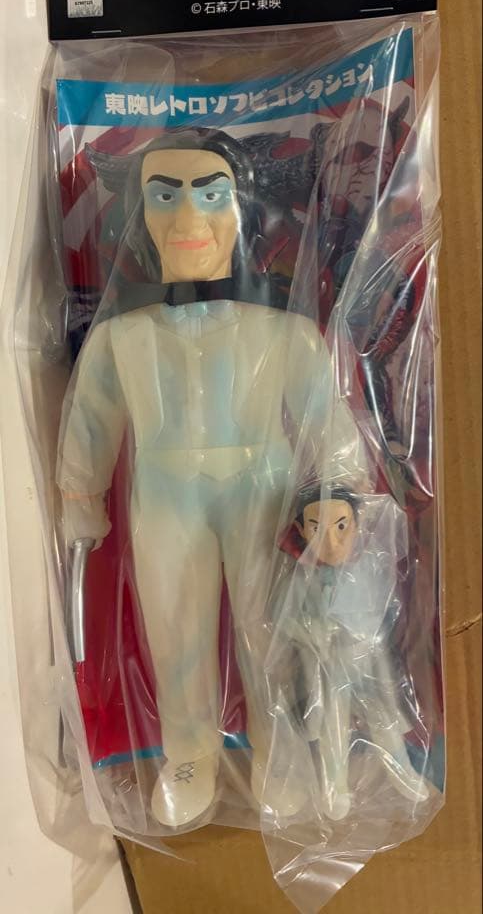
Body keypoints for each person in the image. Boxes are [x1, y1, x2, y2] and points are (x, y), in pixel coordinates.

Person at [57, 127, 366, 827]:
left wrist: (336, 496)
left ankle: (280, 746)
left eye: (211, 194)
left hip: (265, 491)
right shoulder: (122, 337)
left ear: (244, 209)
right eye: (164, 197)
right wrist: (82, 502)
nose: (188, 218)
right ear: (139, 215)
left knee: (271, 626)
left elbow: (328, 424)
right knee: (174, 628)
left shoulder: (283, 333)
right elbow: (91, 424)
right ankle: (187, 749)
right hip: (166, 497)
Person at [276, 483, 428, 820]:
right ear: (301, 530)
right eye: (317, 528)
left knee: (384, 717)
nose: (331, 542)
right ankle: (335, 785)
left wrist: (365, 635)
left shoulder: (367, 571)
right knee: (332, 724)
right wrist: (311, 632)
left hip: (365, 664)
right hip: (328, 667)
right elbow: (283, 620)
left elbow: (385, 612)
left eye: (341, 526)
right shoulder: (300, 579)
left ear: (357, 525)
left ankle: (401, 769)